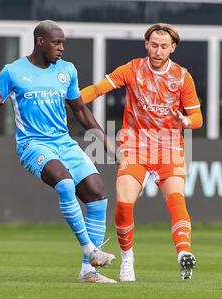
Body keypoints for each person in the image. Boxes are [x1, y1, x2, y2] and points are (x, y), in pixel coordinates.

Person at [0, 20, 117, 283]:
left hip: (63, 142)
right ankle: (91, 251)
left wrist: (106, 141)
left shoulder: (67, 70)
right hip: (32, 144)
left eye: (63, 43)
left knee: (97, 193)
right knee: (65, 184)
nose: (61, 48)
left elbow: (80, 110)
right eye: (56, 43)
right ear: (40, 41)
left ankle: (88, 272)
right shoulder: (12, 72)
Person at [81, 23, 203, 281]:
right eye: (154, 45)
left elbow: (198, 117)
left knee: (177, 200)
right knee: (124, 204)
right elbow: (99, 88)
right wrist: (72, 98)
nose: (158, 51)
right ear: (146, 45)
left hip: (169, 147)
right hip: (135, 146)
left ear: (173, 48)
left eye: (164, 46)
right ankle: (128, 259)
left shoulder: (182, 77)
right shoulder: (132, 69)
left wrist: (186, 122)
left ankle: (183, 254)